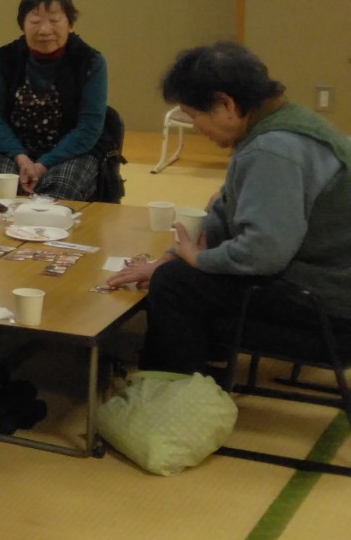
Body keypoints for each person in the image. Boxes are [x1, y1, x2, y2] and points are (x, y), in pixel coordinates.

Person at [105, 43, 351, 375]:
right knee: (176, 270)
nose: (196, 128)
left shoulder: (271, 150)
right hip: (329, 288)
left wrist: (196, 261)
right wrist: (171, 257)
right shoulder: (284, 122)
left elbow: (264, 253)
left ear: (226, 104)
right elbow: (224, 208)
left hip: (332, 314)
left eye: (194, 116)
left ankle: (174, 385)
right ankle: (201, 358)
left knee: (175, 285)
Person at [0, 0, 112, 201]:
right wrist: (21, 158)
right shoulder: (6, 57)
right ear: (22, 26)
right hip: (13, 147)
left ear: (70, 24)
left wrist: (43, 164)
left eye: (54, 20)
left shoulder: (90, 62)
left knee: (60, 189)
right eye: (35, 21)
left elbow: (89, 126)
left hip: (70, 150)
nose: (45, 30)